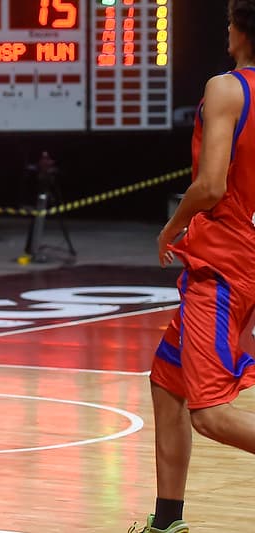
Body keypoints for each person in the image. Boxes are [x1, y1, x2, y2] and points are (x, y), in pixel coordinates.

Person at [131, 2, 255, 531]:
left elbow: (210, 185)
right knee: (168, 383)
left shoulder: (228, 88)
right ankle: (167, 522)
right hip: (245, 255)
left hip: (224, 263)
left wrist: (172, 226)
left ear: (240, 29)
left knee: (211, 414)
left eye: (229, 23)